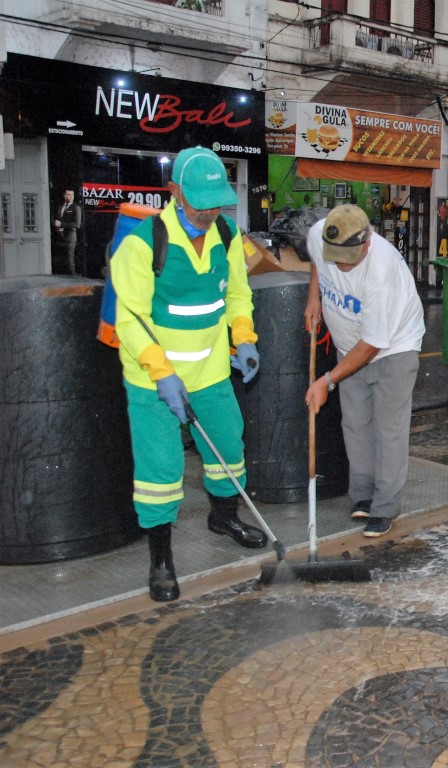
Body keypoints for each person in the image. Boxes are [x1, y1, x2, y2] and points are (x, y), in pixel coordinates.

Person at [111, 146, 266, 603]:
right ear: (174, 191)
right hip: (153, 380)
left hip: (212, 371)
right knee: (160, 472)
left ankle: (223, 516)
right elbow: (131, 319)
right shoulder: (142, 243)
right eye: (199, 202)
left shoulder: (228, 234)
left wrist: (245, 337)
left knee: (227, 448)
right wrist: (161, 374)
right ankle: (161, 560)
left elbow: (237, 294)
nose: (208, 211)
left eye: (216, 201)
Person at [303, 205, 425, 537]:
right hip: (349, 347)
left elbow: (372, 344)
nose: (340, 265)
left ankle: (385, 506)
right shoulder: (320, 234)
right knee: (355, 424)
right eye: (336, 257)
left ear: (367, 242)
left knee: (388, 430)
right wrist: (314, 298)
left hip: (393, 348)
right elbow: (317, 261)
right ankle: (363, 495)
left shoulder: (381, 270)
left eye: (348, 259)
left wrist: (327, 381)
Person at [54, 189, 83, 274]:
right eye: (67, 194)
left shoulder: (76, 208)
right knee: (61, 260)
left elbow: (77, 224)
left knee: (70, 259)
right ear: (64, 195)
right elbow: (55, 220)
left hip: (70, 237)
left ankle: (73, 278)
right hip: (59, 237)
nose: (69, 196)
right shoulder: (60, 207)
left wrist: (61, 224)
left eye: (71, 195)